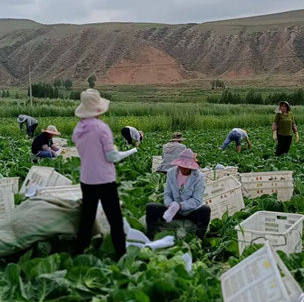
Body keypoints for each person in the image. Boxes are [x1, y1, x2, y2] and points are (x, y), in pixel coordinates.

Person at [73, 89, 132, 259]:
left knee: (87, 219)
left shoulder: (78, 130)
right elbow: (111, 156)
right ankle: (121, 254)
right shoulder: (101, 128)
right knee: (115, 219)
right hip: (104, 180)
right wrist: (116, 151)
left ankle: (79, 253)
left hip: (87, 179)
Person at [146, 149, 211, 240]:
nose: (183, 168)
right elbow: (167, 193)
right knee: (151, 208)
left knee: (205, 210)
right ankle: (152, 237)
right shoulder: (171, 173)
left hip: (191, 211)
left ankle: (199, 239)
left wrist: (180, 205)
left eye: (186, 166)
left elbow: (197, 200)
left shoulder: (199, 177)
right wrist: (169, 205)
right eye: (181, 165)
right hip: (174, 211)